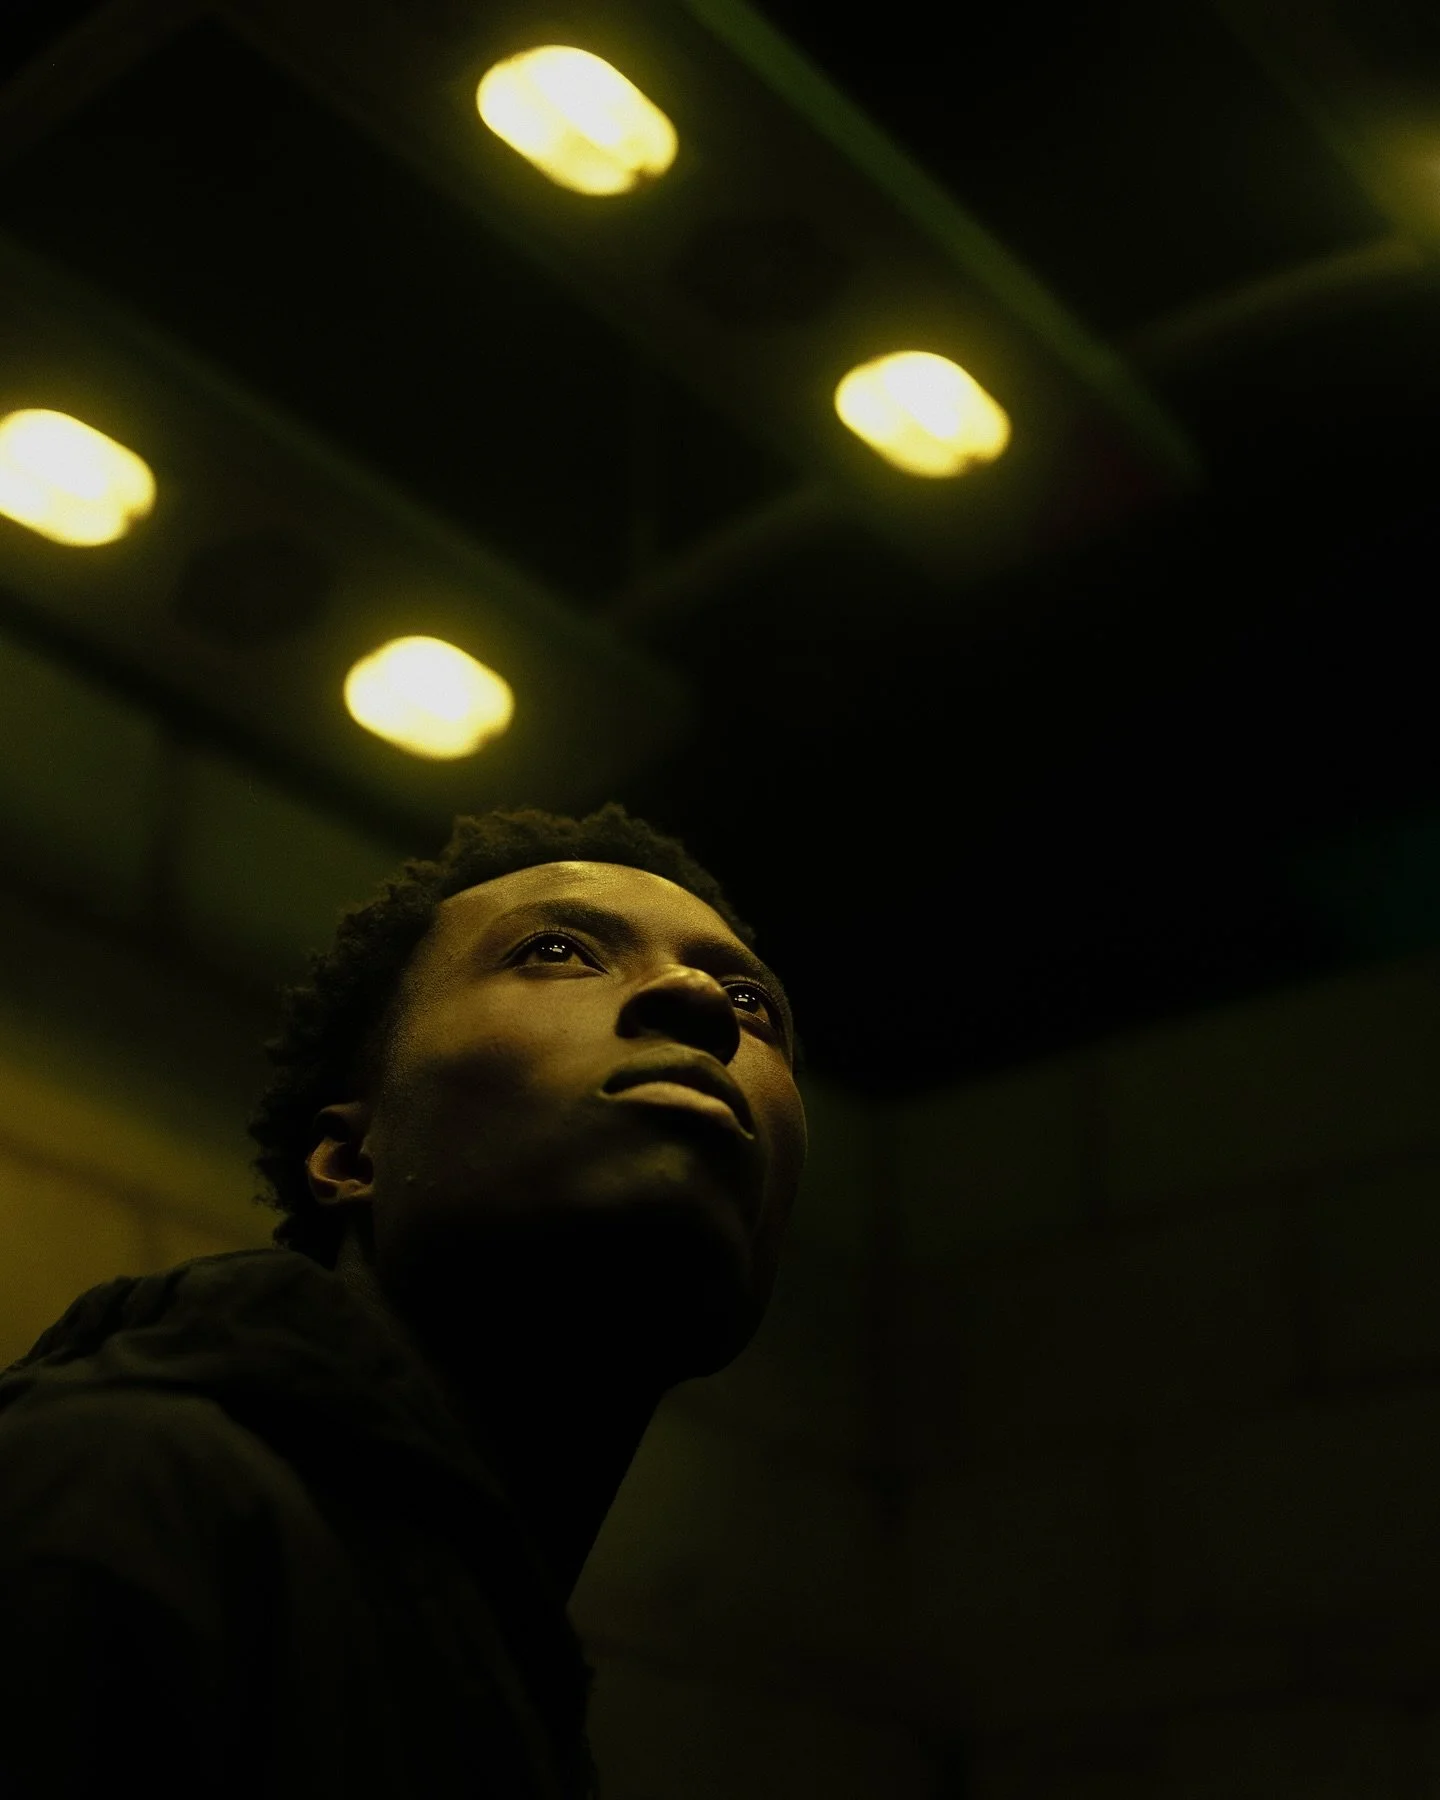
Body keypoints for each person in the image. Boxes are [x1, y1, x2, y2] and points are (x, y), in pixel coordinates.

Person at [0, 802, 808, 1800]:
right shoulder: (117, 1494)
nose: (699, 1000)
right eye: (557, 950)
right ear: (347, 1155)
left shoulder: (494, 1683)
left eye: (751, 999)